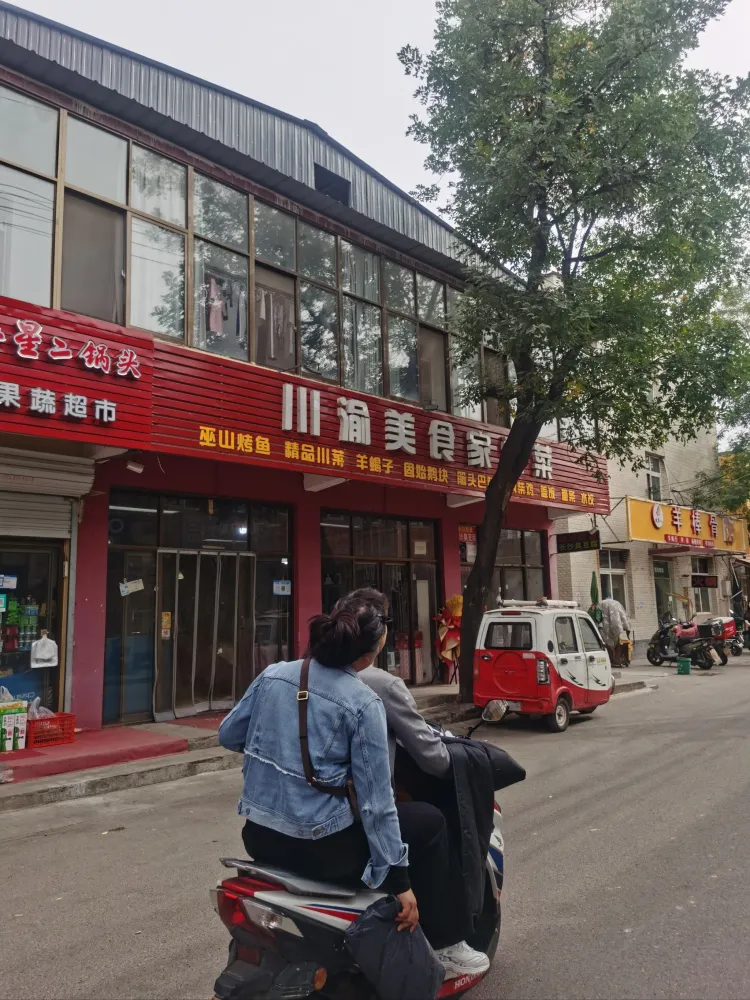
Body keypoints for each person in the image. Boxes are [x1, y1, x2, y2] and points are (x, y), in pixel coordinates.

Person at [218, 594, 489, 978]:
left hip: (260, 837)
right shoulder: (363, 702)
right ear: (371, 651)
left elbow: (229, 734)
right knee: (430, 821)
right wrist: (400, 882)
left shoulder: (273, 674)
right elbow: (377, 804)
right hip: (322, 849)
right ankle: (447, 945)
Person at [600, 597, 630, 667]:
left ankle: (611, 660)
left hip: (604, 629)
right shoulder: (617, 604)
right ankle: (616, 660)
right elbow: (623, 616)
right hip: (616, 628)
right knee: (617, 644)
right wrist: (626, 627)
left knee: (607, 644)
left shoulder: (601, 604)